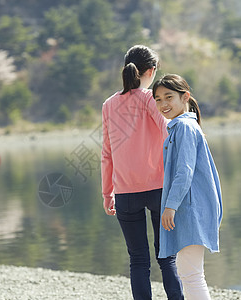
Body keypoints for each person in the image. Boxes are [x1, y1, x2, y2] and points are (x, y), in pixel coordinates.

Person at [101, 45, 184, 300]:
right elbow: (169, 131)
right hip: (159, 189)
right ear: (151, 71)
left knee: (137, 260)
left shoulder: (109, 105)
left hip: (124, 194)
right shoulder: (151, 99)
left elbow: (106, 153)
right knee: (166, 257)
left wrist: (107, 194)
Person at [152, 74, 223, 300]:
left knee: (191, 275)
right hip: (190, 207)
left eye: (169, 97)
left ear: (186, 97)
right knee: (189, 273)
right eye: (158, 99)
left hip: (190, 209)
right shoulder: (182, 126)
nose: (163, 104)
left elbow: (185, 172)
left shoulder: (183, 127)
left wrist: (170, 207)